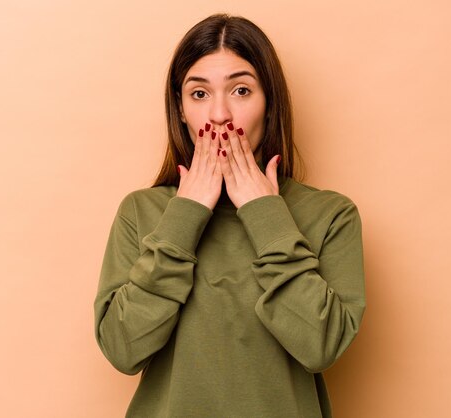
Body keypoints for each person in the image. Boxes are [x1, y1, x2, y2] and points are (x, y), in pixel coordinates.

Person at [94, 13, 366, 418]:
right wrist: (185, 215)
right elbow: (122, 349)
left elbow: (321, 346)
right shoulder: (142, 212)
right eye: (199, 94)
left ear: (269, 105)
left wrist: (265, 214)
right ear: (181, 110)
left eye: (241, 90)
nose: (219, 115)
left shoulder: (331, 214)